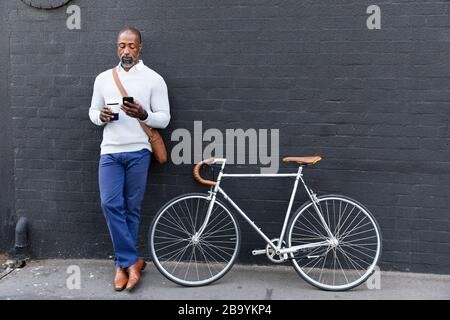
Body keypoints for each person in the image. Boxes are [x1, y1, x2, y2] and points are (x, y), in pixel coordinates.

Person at [89, 27, 170, 291]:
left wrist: (143, 114)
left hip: (139, 152)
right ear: (116, 48)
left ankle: (122, 265)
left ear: (140, 48)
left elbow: (164, 118)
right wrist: (100, 116)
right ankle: (130, 261)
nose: (126, 50)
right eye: (122, 45)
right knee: (110, 203)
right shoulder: (103, 79)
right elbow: (92, 111)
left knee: (132, 208)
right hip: (110, 151)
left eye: (131, 46)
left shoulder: (154, 79)